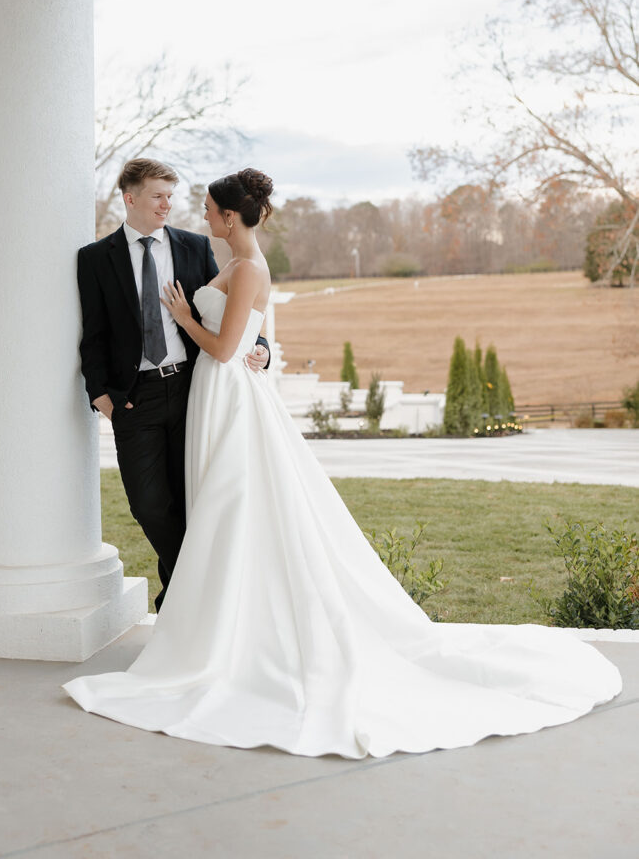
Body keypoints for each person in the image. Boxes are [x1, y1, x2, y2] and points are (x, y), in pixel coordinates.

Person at [65, 169, 622, 759]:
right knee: (176, 507)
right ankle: (202, 622)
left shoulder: (207, 252)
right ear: (130, 199)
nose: (185, 211)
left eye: (199, 205)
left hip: (212, 392)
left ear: (229, 218)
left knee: (227, 507)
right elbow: (124, 329)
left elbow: (233, 337)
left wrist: (235, 339)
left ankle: (206, 625)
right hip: (171, 397)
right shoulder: (142, 258)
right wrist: (106, 385)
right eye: (164, 198)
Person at [76, 158, 269, 611]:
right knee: (148, 504)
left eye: (171, 196)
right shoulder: (95, 258)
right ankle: (198, 591)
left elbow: (230, 313)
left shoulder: (194, 246)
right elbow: (94, 332)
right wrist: (101, 395)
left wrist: (260, 346)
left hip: (191, 390)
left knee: (191, 499)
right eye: (158, 196)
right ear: (131, 198)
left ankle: (181, 607)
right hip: (133, 399)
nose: (168, 205)